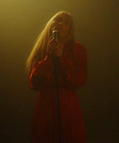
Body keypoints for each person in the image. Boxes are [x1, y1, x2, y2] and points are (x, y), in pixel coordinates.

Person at [26, 11, 87, 143]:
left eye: (66, 23)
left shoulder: (78, 49)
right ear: (51, 23)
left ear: (70, 29)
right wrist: (49, 58)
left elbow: (79, 80)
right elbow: (34, 82)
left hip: (69, 110)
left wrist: (62, 59)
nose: (60, 24)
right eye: (58, 19)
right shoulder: (41, 49)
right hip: (45, 112)